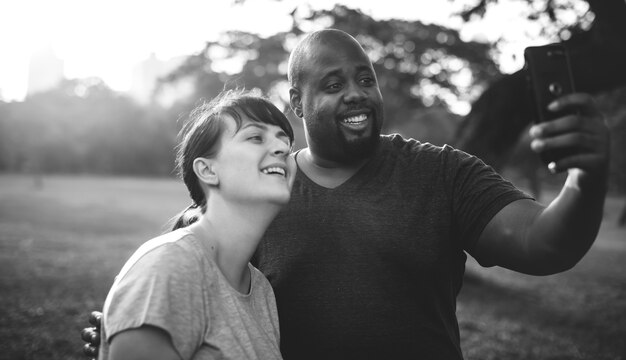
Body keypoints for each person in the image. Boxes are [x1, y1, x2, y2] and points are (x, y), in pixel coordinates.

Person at [84, 29, 609, 359]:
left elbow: (547, 243)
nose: (355, 93)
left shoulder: (441, 172)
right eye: (332, 84)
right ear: (297, 100)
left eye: (364, 79)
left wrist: (586, 175)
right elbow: (177, 270)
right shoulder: (261, 192)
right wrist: (123, 330)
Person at [95, 89, 296, 360]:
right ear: (208, 171)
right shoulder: (168, 267)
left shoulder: (261, 290)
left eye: (285, 141)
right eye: (255, 137)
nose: (283, 148)